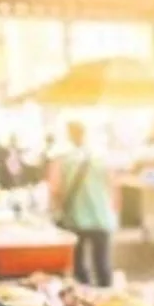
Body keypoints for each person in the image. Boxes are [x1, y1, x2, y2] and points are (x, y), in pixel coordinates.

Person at [52, 121, 117, 288]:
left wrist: (57, 208)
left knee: (78, 263)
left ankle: (83, 295)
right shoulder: (101, 157)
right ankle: (106, 295)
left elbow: (56, 189)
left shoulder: (64, 159)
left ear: (69, 134)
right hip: (101, 217)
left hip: (75, 218)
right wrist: (113, 210)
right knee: (102, 262)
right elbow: (113, 185)